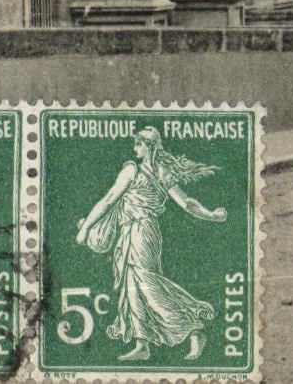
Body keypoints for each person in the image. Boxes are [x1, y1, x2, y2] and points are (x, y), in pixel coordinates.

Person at [75, 126, 227, 363]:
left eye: (139, 143)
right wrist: (212, 215)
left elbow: (109, 199)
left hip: (142, 232)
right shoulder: (157, 171)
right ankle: (142, 343)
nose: (135, 148)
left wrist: (85, 228)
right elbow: (186, 203)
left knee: (147, 284)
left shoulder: (134, 170)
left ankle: (193, 330)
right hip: (131, 232)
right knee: (132, 286)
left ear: (149, 146)